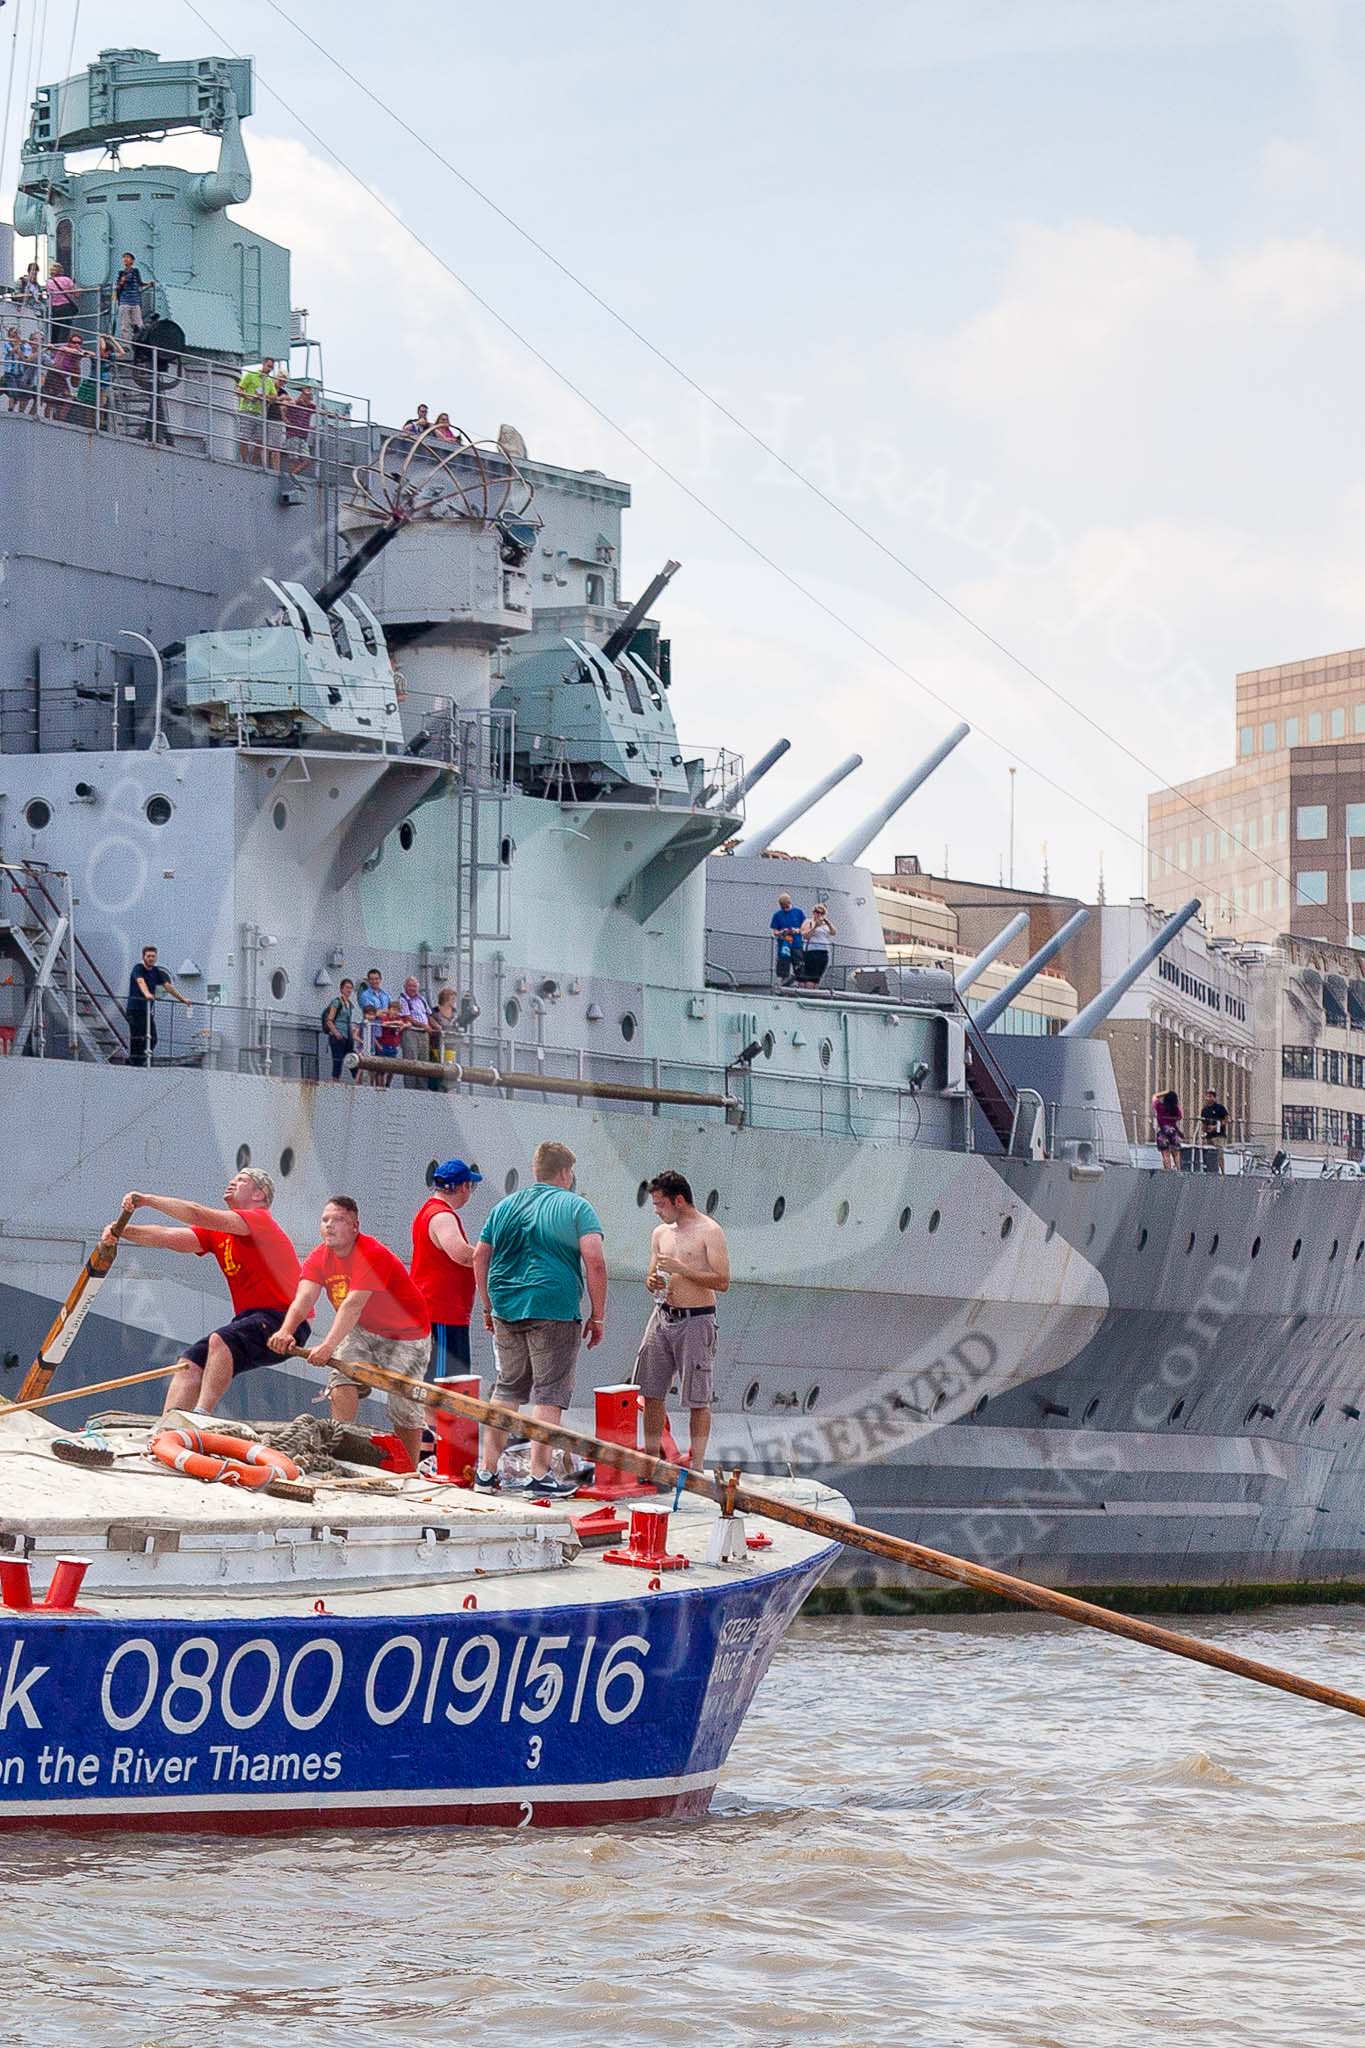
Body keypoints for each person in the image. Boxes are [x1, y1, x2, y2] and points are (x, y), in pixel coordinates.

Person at [103, 1170, 304, 1416]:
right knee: (190, 1363)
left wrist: (147, 1200)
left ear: (259, 1194)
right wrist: (121, 1231)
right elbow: (167, 1237)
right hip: (251, 1320)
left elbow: (196, 1212)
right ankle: (167, 1426)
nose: (232, 1182)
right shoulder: (218, 1232)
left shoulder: (258, 1220)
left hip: (284, 1320)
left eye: (242, 1180)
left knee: (220, 1340)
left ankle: (201, 1415)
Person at [472, 1140, 606, 1495]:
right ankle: (538, 1475)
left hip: (505, 1305)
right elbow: (594, 1260)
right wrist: (598, 1315)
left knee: (507, 1389)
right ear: (564, 1172)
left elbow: (479, 1257)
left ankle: (486, 1473)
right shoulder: (577, 1206)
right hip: (553, 1307)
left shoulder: (504, 1207)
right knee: (549, 1395)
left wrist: (487, 1305)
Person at [268, 1196, 432, 1470]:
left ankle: (408, 1469)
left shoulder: (372, 1253)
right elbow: (303, 1298)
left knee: (403, 1406)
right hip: (364, 1330)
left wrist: (328, 1346)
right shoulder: (319, 1257)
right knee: (340, 1378)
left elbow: (352, 1305)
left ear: (355, 1226)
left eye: (339, 1220)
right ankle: (337, 1450)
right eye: (325, 1220)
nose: (329, 1226)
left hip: (406, 1334)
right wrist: (285, 1331)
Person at [635, 1170, 729, 1474]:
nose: (658, 1210)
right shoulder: (660, 1234)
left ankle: (697, 1463)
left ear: (679, 1200)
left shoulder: (710, 1231)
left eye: (661, 1204)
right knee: (650, 1390)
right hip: (663, 1314)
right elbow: (653, 1272)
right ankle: (651, 1458)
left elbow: (722, 1281)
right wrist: (651, 1280)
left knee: (697, 1397)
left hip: (696, 1319)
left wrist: (682, 1268)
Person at [410, 1160, 482, 1375]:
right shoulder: (442, 1216)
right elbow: (461, 1255)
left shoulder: (428, 1212)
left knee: (440, 1381)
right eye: (470, 1186)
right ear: (463, 1187)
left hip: (437, 1310)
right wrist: (488, 1254)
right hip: (441, 1313)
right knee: (443, 1385)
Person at [125, 944, 192, 1065]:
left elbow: (168, 987)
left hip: (146, 1011)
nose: (151, 958)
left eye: (153, 956)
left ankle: (141, 1059)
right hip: (135, 1010)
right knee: (137, 1036)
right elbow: (140, 981)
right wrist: (147, 994)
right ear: (144, 957)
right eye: (149, 956)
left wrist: (183, 999)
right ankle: (134, 1062)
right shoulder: (138, 968)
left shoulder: (155, 971)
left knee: (153, 1038)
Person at [236, 356, 278, 466]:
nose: (270, 369)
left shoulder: (269, 381)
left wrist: (264, 396)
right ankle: (245, 461)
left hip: (260, 413)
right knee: (244, 437)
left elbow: (274, 397)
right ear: (263, 364)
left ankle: (253, 463)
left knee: (260, 440)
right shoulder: (250, 375)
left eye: (272, 368)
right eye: (268, 366)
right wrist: (250, 397)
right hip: (247, 410)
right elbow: (239, 389)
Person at [321, 977, 355, 1080]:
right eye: (347, 987)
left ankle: (357, 1079)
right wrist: (336, 1033)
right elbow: (329, 1020)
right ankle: (335, 1080)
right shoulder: (337, 1002)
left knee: (352, 1058)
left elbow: (348, 1021)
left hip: (346, 1036)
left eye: (351, 988)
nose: (349, 990)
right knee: (337, 1060)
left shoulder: (349, 1004)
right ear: (341, 989)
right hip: (337, 1035)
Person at [113, 251, 151, 342]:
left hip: (135, 301)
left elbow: (140, 283)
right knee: (125, 325)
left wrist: (148, 284)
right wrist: (121, 283)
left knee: (138, 324)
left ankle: (139, 341)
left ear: (132, 261)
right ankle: (127, 343)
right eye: (124, 257)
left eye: (128, 257)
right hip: (124, 301)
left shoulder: (135, 272)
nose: (125, 259)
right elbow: (117, 287)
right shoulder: (121, 273)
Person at [280, 381, 315, 476]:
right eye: (309, 393)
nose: (311, 396)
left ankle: (291, 476)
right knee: (294, 460)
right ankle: (291, 478)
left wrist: (335, 415)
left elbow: (322, 411)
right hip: (293, 435)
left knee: (307, 461)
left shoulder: (310, 406)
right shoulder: (294, 402)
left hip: (303, 437)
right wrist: (285, 419)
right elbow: (282, 407)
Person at [770, 892, 806, 986]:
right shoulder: (777, 915)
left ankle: (799, 987)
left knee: (799, 967)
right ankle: (783, 987)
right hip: (784, 946)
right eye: (783, 907)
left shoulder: (798, 912)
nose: (785, 908)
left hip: (796, 945)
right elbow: (774, 932)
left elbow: (805, 928)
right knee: (783, 969)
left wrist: (796, 930)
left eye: (787, 906)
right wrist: (782, 932)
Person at [399, 976, 432, 1072]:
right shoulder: (403, 999)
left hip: (424, 1033)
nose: (412, 988)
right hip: (411, 1032)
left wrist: (438, 1027)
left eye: (414, 986)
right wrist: (424, 1026)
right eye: (410, 986)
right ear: (405, 987)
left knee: (424, 1062)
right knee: (411, 1061)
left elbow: (429, 1015)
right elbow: (407, 1017)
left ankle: (422, 1087)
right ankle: (410, 1086)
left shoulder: (422, 999)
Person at [798, 903, 837, 987]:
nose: (819, 914)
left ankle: (814, 991)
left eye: (821, 913)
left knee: (817, 977)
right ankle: (808, 993)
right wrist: (815, 926)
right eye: (817, 912)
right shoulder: (808, 922)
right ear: (814, 912)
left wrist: (828, 923)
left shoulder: (825, 925)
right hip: (812, 952)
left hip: (823, 952)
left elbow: (833, 932)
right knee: (810, 976)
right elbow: (805, 936)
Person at [1199, 1089, 1229, 1174]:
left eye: (1210, 1096)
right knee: (1209, 1154)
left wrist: (1215, 1127)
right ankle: (1211, 1171)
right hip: (1209, 1136)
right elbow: (1203, 1122)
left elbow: (1226, 1119)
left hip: (1219, 1135)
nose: (1208, 1098)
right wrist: (1204, 1129)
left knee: (1219, 1154)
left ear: (1214, 1098)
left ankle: (1222, 1172)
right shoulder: (1204, 1110)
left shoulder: (1220, 1108)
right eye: (1207, 1096)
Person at [1152, 1088, 1183, 1170]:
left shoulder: (1159, 1107)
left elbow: (1154, 1096)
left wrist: (1166, 1092)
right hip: (1173, 1132)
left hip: (1162, 1132)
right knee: (1176, 1153)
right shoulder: (1176, 1110)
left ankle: (1168, 1172)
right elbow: (1180, 1116)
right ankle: (1179, 1170)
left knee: (1166, 1154)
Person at [47, 262, 78, 341]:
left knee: (54, 330)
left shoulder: (49, 282)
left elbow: (49, 295)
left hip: (54, 309)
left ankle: (54, 347)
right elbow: (76, 294)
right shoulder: (67, 280)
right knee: (65, 330)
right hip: (65, 307)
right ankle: (63, 346)